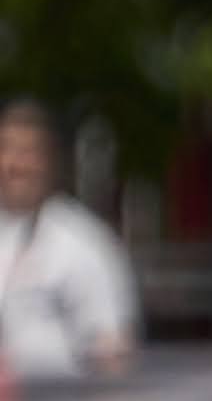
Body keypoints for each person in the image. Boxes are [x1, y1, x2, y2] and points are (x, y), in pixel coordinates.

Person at [0, 98, 136, 379]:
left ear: (50, 161)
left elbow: (112, 352)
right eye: (6, 149)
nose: (15, 164)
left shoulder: (84, 243)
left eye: (27, 152)